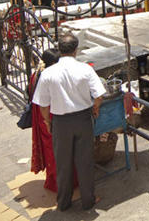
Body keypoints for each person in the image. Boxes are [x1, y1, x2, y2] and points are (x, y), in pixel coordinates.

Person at [33, 35, 105, 211]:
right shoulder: (85, 69)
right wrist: (95, 109)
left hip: (60, 121)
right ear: (75, 50)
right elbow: (99, 96)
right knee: (85, 161)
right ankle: (88, 200)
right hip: (82, 119)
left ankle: (63, 202)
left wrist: (48, 121)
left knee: (63, 163)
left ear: (60, 49)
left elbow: (43, 105)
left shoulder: (48, 73)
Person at [30, 48, 76, 193]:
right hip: (48, 117)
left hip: (41, 117)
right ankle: (61, 184)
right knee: (58, 152)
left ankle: (55, 181)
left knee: (51, 151)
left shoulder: (36, 74)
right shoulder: (49, 77)